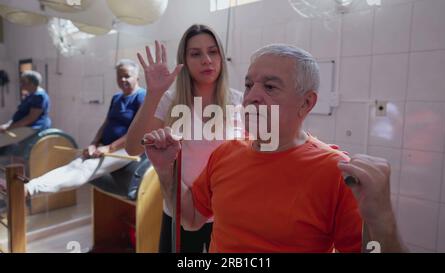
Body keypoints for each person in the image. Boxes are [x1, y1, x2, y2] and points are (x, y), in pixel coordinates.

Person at [142, 44, 407, 252]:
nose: (251, 96)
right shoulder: (225, 153)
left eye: (270, 87)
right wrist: (167, 170)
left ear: (306, 103)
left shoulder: (336, 172)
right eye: (248, 85)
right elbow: (190, 218)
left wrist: (382, 219)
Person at [126, 24, 242, 253]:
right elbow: (132, 148)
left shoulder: (238, 101)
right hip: (179, 211)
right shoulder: (170, 100)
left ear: (221, 56)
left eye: (213, 51)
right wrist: (153, 93)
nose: (206, 60)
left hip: (226, 215)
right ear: (185, 61)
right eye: (196, 54)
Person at [24, 59, 146, 196]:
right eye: (119, 76)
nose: (122, 79)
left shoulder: (143, 97)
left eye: (127, 76)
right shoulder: (116, 97)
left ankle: (31, 190)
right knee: (75, 164)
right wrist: (93, 144)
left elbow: (137, 132)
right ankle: (30, 185)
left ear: (137, 77)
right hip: (106, 146)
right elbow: (106, 123)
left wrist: (109, 147)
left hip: (126, 149)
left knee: (87, 168)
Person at [0, 70, 51, 157]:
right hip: (25, 125)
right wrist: (7, 125)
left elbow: (31, 118)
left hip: (34, 126)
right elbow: (20, 114)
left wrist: (10, 127)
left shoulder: (39, 96)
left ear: (31, 83)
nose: (21, 84)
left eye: (23, 82)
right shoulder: (30, 95)